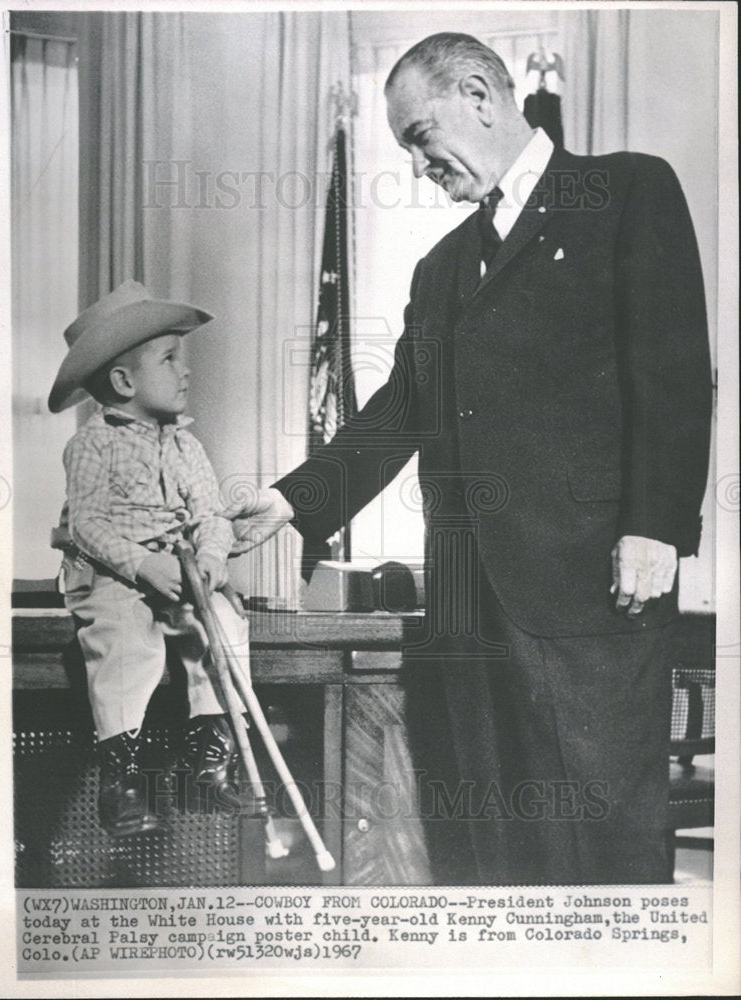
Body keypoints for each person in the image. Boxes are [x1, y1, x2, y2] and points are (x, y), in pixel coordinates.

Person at [227, 33, 712, 884]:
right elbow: (401, 409)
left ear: (480, 95)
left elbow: (671, 371)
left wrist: (655, 527)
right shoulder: (440, 267)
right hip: (464, 607)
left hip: (591, 596)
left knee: (600, 841)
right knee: (490, 852)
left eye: (419, 135)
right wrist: (291, 501)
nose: (418, 166)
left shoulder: (626, 191)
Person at [49, 279, 249, 837]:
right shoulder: (94, 443)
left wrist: (210, 558)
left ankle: (209, 760)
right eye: (169, 359)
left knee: (225, 629)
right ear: (122, 381)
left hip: (181, 570)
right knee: (125, 640)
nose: (184, 372)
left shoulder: (187, 444)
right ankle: (124, 778)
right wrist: (144, 567)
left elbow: (210, 515)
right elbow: (87, 524)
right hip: (116, 575)